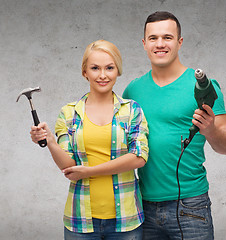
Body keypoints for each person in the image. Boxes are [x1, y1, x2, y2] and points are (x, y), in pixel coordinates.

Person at [122, 11, 226, 240]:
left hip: (191, 207)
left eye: (167, 37)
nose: (160, 44)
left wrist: (210, 130)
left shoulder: (204, 87)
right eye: (153, 38)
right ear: (144, 44)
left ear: (179, 42)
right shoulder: (132, 91)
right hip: (141, 206)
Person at [30, 39, 149, 240]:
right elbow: (68, 166)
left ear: (117, 71)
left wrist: (90, 171)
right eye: (95, 68)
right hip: (80, 221)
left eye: (109, 68)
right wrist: (50, 140)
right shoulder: (69, 113)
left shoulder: (131, 110)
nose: (103, 75)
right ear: (85, 72)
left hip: (126, 221)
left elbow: (139, 157)